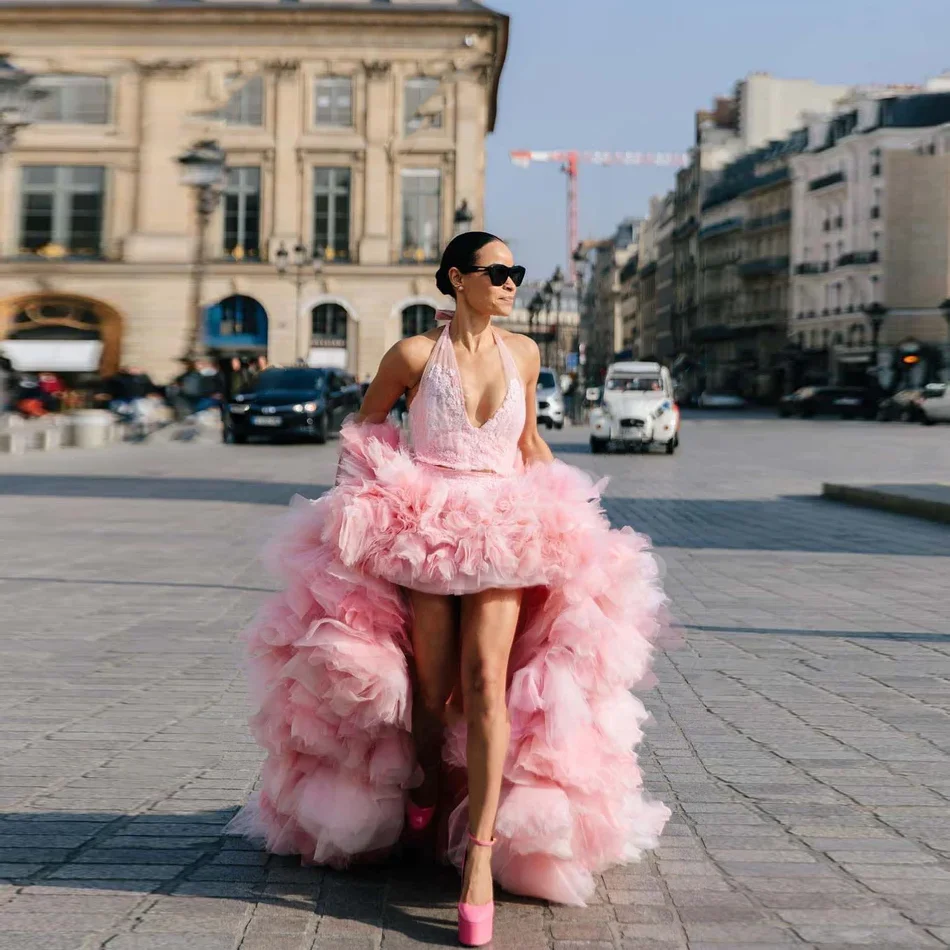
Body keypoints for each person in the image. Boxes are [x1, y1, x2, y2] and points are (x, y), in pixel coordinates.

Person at [226, 232, 670, 946]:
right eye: (498, 272)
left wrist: (575, 511)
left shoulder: (524, 353)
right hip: (427, 531)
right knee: (431, 694)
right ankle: (431, 784)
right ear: (458, 279)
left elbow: (527, 445)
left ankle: (482, 862)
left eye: (516, 273)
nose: (511, 282)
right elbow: (364, 430)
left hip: (506, 528)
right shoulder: (410, 356)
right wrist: (368, 508)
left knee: (487, 682)